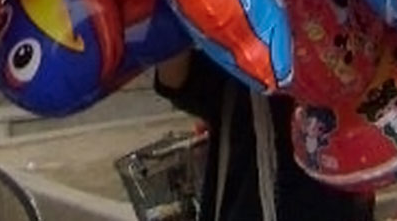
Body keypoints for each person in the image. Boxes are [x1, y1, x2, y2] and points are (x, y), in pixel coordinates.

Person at [154, 51, 374, 221]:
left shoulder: (349, 47)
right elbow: (176, 80)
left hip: (334, 202)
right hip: (251, 202)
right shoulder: (239, 58)